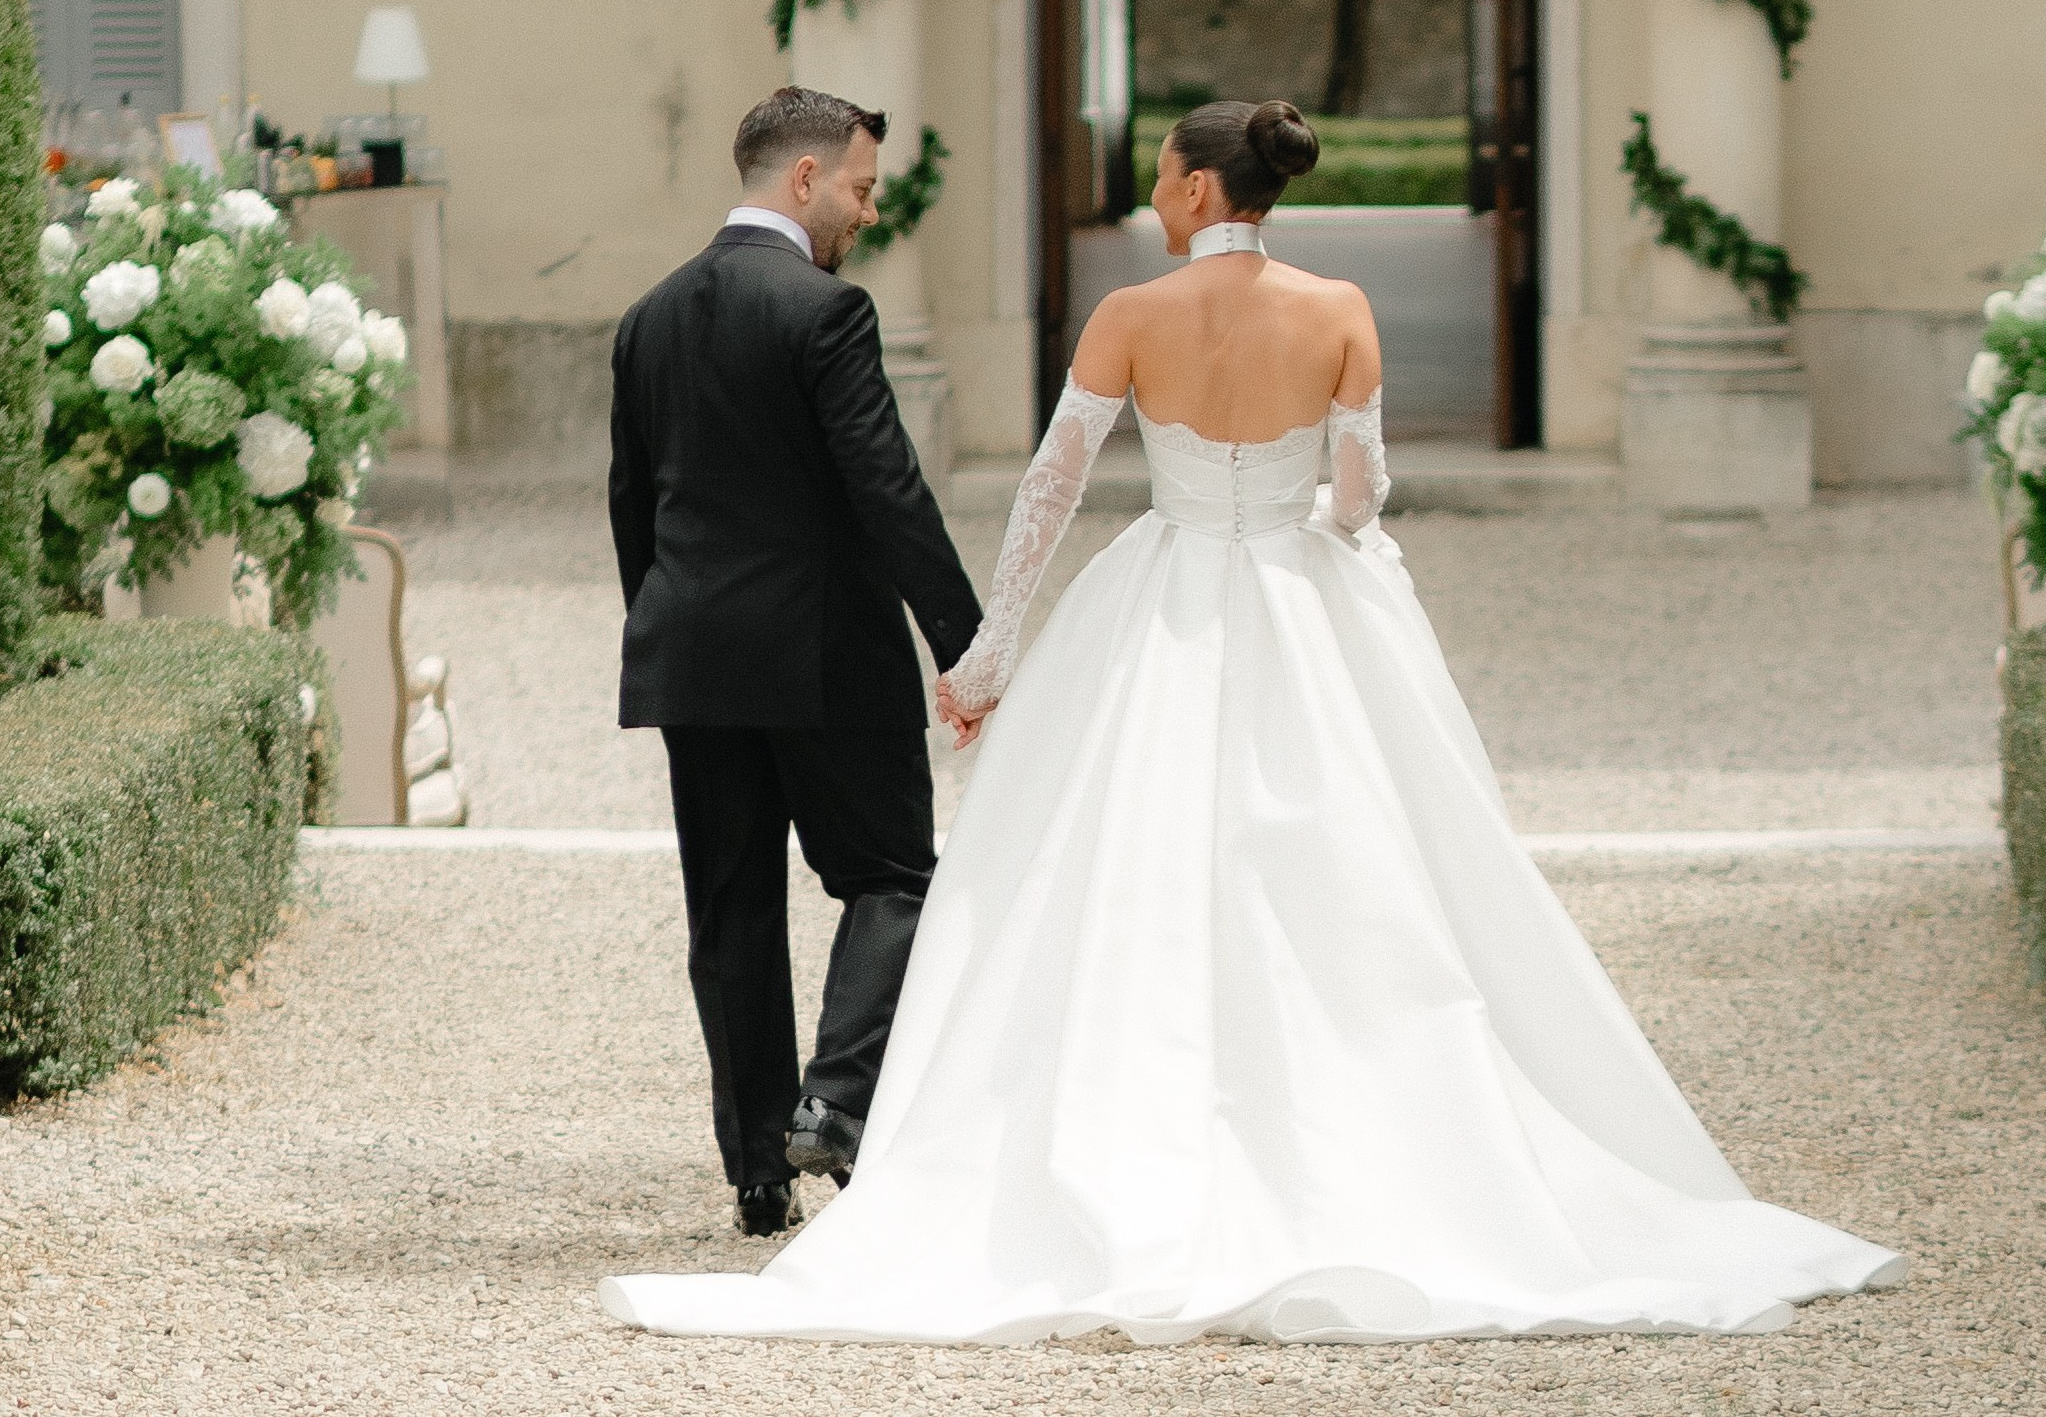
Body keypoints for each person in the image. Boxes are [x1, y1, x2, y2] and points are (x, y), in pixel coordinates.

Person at [601, 98, 1908, 1342]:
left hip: (1147, 595)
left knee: (1105, 864)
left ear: (1193, 187)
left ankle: (828, 1148)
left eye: (1160, 176)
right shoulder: (1339, 309)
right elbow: (1361, 488)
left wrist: (989, 655)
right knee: (1350, 860)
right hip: (1295, 593)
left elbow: (1051, 490)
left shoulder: (1125, 314)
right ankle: (1331, 1125)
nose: (1152, 193)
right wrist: (1313, 526)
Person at [607, 86, 982, 1239]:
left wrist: (668, 626)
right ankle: (834, 1099)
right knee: (891, 873)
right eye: (860, 189)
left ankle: (755, 1170)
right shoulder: (827, 311)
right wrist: (968, 644)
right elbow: (887, 489)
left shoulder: (647, 316)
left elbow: (632, 506)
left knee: (730, 908)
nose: (866, 212)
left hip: (692, 656)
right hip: (827, 653)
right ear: (805, 177)